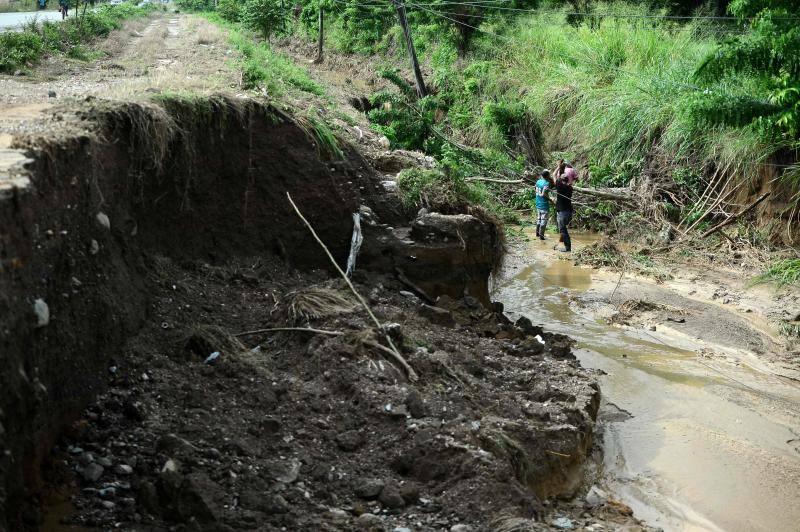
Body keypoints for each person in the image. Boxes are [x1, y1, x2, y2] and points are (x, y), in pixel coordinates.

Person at [554, 168, 574, 252]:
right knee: (563, 229)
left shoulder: (560, 186)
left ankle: (567, 248)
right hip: (569, 212)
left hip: (562, 213)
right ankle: (563, 242)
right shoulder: (570, 188)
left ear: (561, 180)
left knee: (563, 230)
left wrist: (558, 166)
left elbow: (554, 175)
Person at [534, 169, 553, 240]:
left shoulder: (538, 181)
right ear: (548, 176)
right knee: (544, 221)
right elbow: (544, 194)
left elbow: (535, 188)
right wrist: (551, 200)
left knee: (538, 219)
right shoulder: (546, 183)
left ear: (542, 175)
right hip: (544, 205)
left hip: (538, 203)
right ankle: (542, 236)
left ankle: (537, 234)